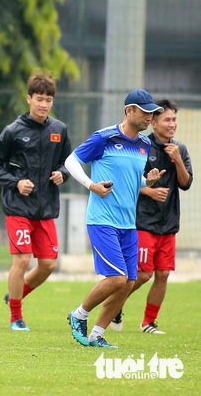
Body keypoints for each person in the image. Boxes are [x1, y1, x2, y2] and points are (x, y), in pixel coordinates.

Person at [65, 89, 165, 348]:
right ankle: (79, 315)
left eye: (151, 113)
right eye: (145, 112)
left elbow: (130, 180)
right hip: (102, 220)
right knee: (118, 278)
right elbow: (71, 162)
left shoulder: (144, 144)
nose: (149, 117)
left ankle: (97, 334)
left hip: (128, 224)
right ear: (128, 111)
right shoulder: (104, 137)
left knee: (128, 283)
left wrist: (147, 181)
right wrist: (91, 185)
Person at [0, 74, 72, 331]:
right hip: (18, 207)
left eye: (48, 99)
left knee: (48, 265)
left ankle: (15, 293)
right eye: (39, 99)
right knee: (22, 260)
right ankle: (16, 316)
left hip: (45, 208)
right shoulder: (13, 131)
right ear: (29, 99)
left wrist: (62, 173)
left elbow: (69, 162)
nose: (44, 104)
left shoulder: (59, 130)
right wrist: (16, 182)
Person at [110, 98, 192, 334]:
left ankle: (148, 322)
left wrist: (177, 160)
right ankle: (116, 304)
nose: (172, 124)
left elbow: (185, 183)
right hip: (144, 220)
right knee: (143, 273)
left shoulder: (180, 150)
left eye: (174, 119)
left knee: (163, 274)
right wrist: (149, 190)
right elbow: (128, 180)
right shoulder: (142, 146)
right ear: (154, 122)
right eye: (167, 119)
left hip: (169, 223)